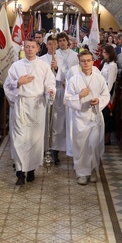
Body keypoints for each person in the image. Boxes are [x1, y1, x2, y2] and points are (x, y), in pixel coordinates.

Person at [4, 39, 56, 185]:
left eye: (33, 47)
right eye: (27, 47)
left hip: (37, 105)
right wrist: (18, 83)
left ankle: (31, 169)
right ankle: (20, 172)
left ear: (38, 49)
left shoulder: (43, 66)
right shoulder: (16, 66)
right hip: (20, 104)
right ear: (23, 49)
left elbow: (50, 84)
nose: (30, 49)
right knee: (19, 138)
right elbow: (7, 86)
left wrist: (51, 91)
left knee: (35, 138)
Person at [64, 49, 110, 185]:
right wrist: (79, 95)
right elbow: (67, 99)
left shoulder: (99, 78)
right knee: (81, 146)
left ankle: (93, 169)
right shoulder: (74, 80)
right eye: (83, 61)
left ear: (92, 61)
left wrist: (98, 101)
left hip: (95, 115)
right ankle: (82, 173)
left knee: (94, 144)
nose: (86, 63)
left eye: (88, 60)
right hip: (79, 118)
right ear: (79, 62)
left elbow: (105, 95)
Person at [42, 32, 77, 164]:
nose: (54, 46)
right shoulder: (43, 59)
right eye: (51, 44)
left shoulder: (66, 57)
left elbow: (68, 73)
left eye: (58, 42)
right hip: (49, 93)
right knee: (50, 122)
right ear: (47, 45)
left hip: (62, 91)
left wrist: (58, 70)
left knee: (61, 123)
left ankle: (60, 149)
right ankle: (49, 149)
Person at [99, 44, 118, 146]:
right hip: (102, 91)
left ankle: (107, 138)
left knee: (107, 116)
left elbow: (110, 83)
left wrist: (105, 95)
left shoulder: (112, 65)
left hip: (107, 93)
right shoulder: (105, 63)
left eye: (105, 52)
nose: (103, 54)